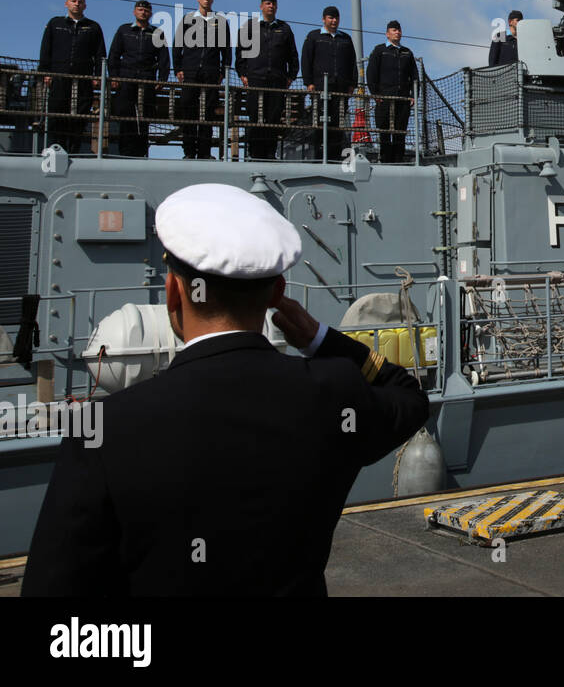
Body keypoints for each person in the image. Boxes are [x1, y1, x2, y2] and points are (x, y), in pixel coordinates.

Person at [21, 183, 429, 595]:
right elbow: (409, 395)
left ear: (174, 292)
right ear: (278, 293)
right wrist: (320, 337)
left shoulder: (102, 430)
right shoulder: (334, 393)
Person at [38, 0, 106, 154]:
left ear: (85, 5)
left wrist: (98, 75)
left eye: (80, 2)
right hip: (58, 76)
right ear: (66, 3)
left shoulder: (93, 27)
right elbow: (46, 49)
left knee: (80, 114)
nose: (76, 4)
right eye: (73, 1)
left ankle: (74, 149)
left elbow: (100, 54)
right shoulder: (55, 24)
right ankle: (56, 148)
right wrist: (44, 72)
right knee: (56, 113)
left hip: (83, 78)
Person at [236, 0, 299, 161]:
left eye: (273, 4)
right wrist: (243, 74)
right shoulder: (249, 27)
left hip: (277, 80)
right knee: (255, 117)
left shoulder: (284, 29)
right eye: (268, 3)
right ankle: (255, 153)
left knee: (273, 118)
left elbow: (293, 55)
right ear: (261, 6)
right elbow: (240, 53)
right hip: (255, 79)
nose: (271, 6)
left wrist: (291, 76)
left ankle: (270, 154)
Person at [173, 0, 232, 159]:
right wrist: (178, 68)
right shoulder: (187, 19)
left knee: (208, 112)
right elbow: (177, 46)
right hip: (190, 71)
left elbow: (226, 49)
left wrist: (223, 70)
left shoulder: (220, 21)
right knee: (188, 111)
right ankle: (189, 152)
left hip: (211, 72)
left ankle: (205, 153)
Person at [107, 0, 167, 157]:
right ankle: (125, 152)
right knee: (126, 117)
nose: (143, 12)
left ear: (150, 13)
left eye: (146, 10)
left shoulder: (157, 33)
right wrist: (114, 76)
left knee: (144, 117)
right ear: (134, 12)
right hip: (126, 78)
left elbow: (163, 58)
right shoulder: (124, 30)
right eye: (140, 10)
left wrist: (162, 78)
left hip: (147, 78)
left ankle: (141, 152)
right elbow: (113, 55)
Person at [300, 7, 358, 162]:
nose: (334, 21)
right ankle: (320, 157)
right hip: (320, 87)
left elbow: (353, 62)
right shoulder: (313, 37)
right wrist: (308, 82)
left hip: (341, 88)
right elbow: (306, 59)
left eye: (336, 18)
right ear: (324, 19)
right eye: (331, 18)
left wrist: (353, 83)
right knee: (320, 121)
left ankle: (334, 157)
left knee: (338, 123)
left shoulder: (345, 38)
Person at [367, 21, 417, 164]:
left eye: (399, 30)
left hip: (402, 99)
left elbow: (414, 76)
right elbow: (371, 73)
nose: (397, 32)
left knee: (400, 132)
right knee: (384, 131)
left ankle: (398, 160)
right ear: (387, 33)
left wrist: (413, 95)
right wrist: (375, 93)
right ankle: (385, 160)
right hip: (384, 99)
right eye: (394, 30)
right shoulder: (379, 51)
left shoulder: (407, 53)